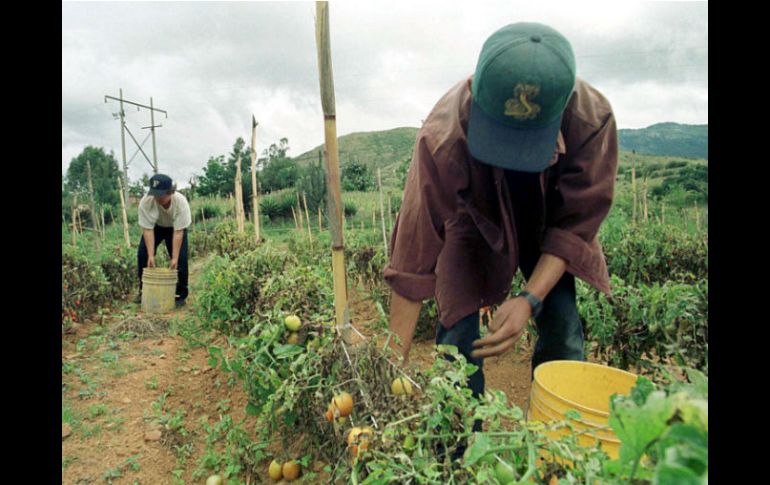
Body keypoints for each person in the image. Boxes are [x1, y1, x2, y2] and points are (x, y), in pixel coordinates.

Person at [384, 22, 618, 401]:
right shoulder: (444, 136)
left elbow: (575, 226)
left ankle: (555, 447)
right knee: (456, 332)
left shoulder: (591, 120)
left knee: (562, 327)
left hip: (548, 223)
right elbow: (413, 255)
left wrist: (528, 299)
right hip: (472, 218)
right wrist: (391, 366)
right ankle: (458, 446)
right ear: (476, 93)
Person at [134, 173, 192, 308]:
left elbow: (178, 232)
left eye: (161, 194)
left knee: (181, 260)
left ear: (170, 192)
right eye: (154, 194)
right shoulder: (146, 202)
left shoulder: (181, 203)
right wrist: (150, 255)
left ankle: (180, 294)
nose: (157, 198)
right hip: (156, 227)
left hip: (175, 228)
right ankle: (144, 291)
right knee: (142, 255)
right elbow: (147, 230)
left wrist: (175, 258)